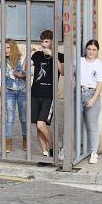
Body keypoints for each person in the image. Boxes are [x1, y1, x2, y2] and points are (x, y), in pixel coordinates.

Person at [30, 29, 64, 157]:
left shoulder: (60, 56)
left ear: (52, 42)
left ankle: (55, 147)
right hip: (35, 93)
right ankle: (45, 152)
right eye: (42, 41)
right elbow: (24, 69)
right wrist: (30, 54)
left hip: (49, 95)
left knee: (41, 124)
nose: (43, 44)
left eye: (46, 41)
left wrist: (53, 55)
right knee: (38, 126)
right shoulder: (37, 55)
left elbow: (63, 71)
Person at [79, 39, 102, 163]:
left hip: (92, 93)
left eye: (94, 50)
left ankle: (93, 152)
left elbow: (100, 84)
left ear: (97, 51)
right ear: (86, 49)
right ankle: (66, 149)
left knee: (92, 125)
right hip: (78, 93)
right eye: (89, 49)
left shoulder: (99, 64)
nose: (91, 52)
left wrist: (93, 99)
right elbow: (70, 74)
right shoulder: (79, 61)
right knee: (73, 123)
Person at [1, 38, 28, 153]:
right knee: (10, 118)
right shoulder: (3, 61)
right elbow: (0, 77)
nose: (6, 50)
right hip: (9, 91)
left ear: (13, 48)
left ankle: (25, 141)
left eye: (8, 47)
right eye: (5, 47)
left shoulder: (21, 59)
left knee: (23, 117)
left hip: (22, 91)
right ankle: (8, 143)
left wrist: (19, 75)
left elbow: (28, 73)